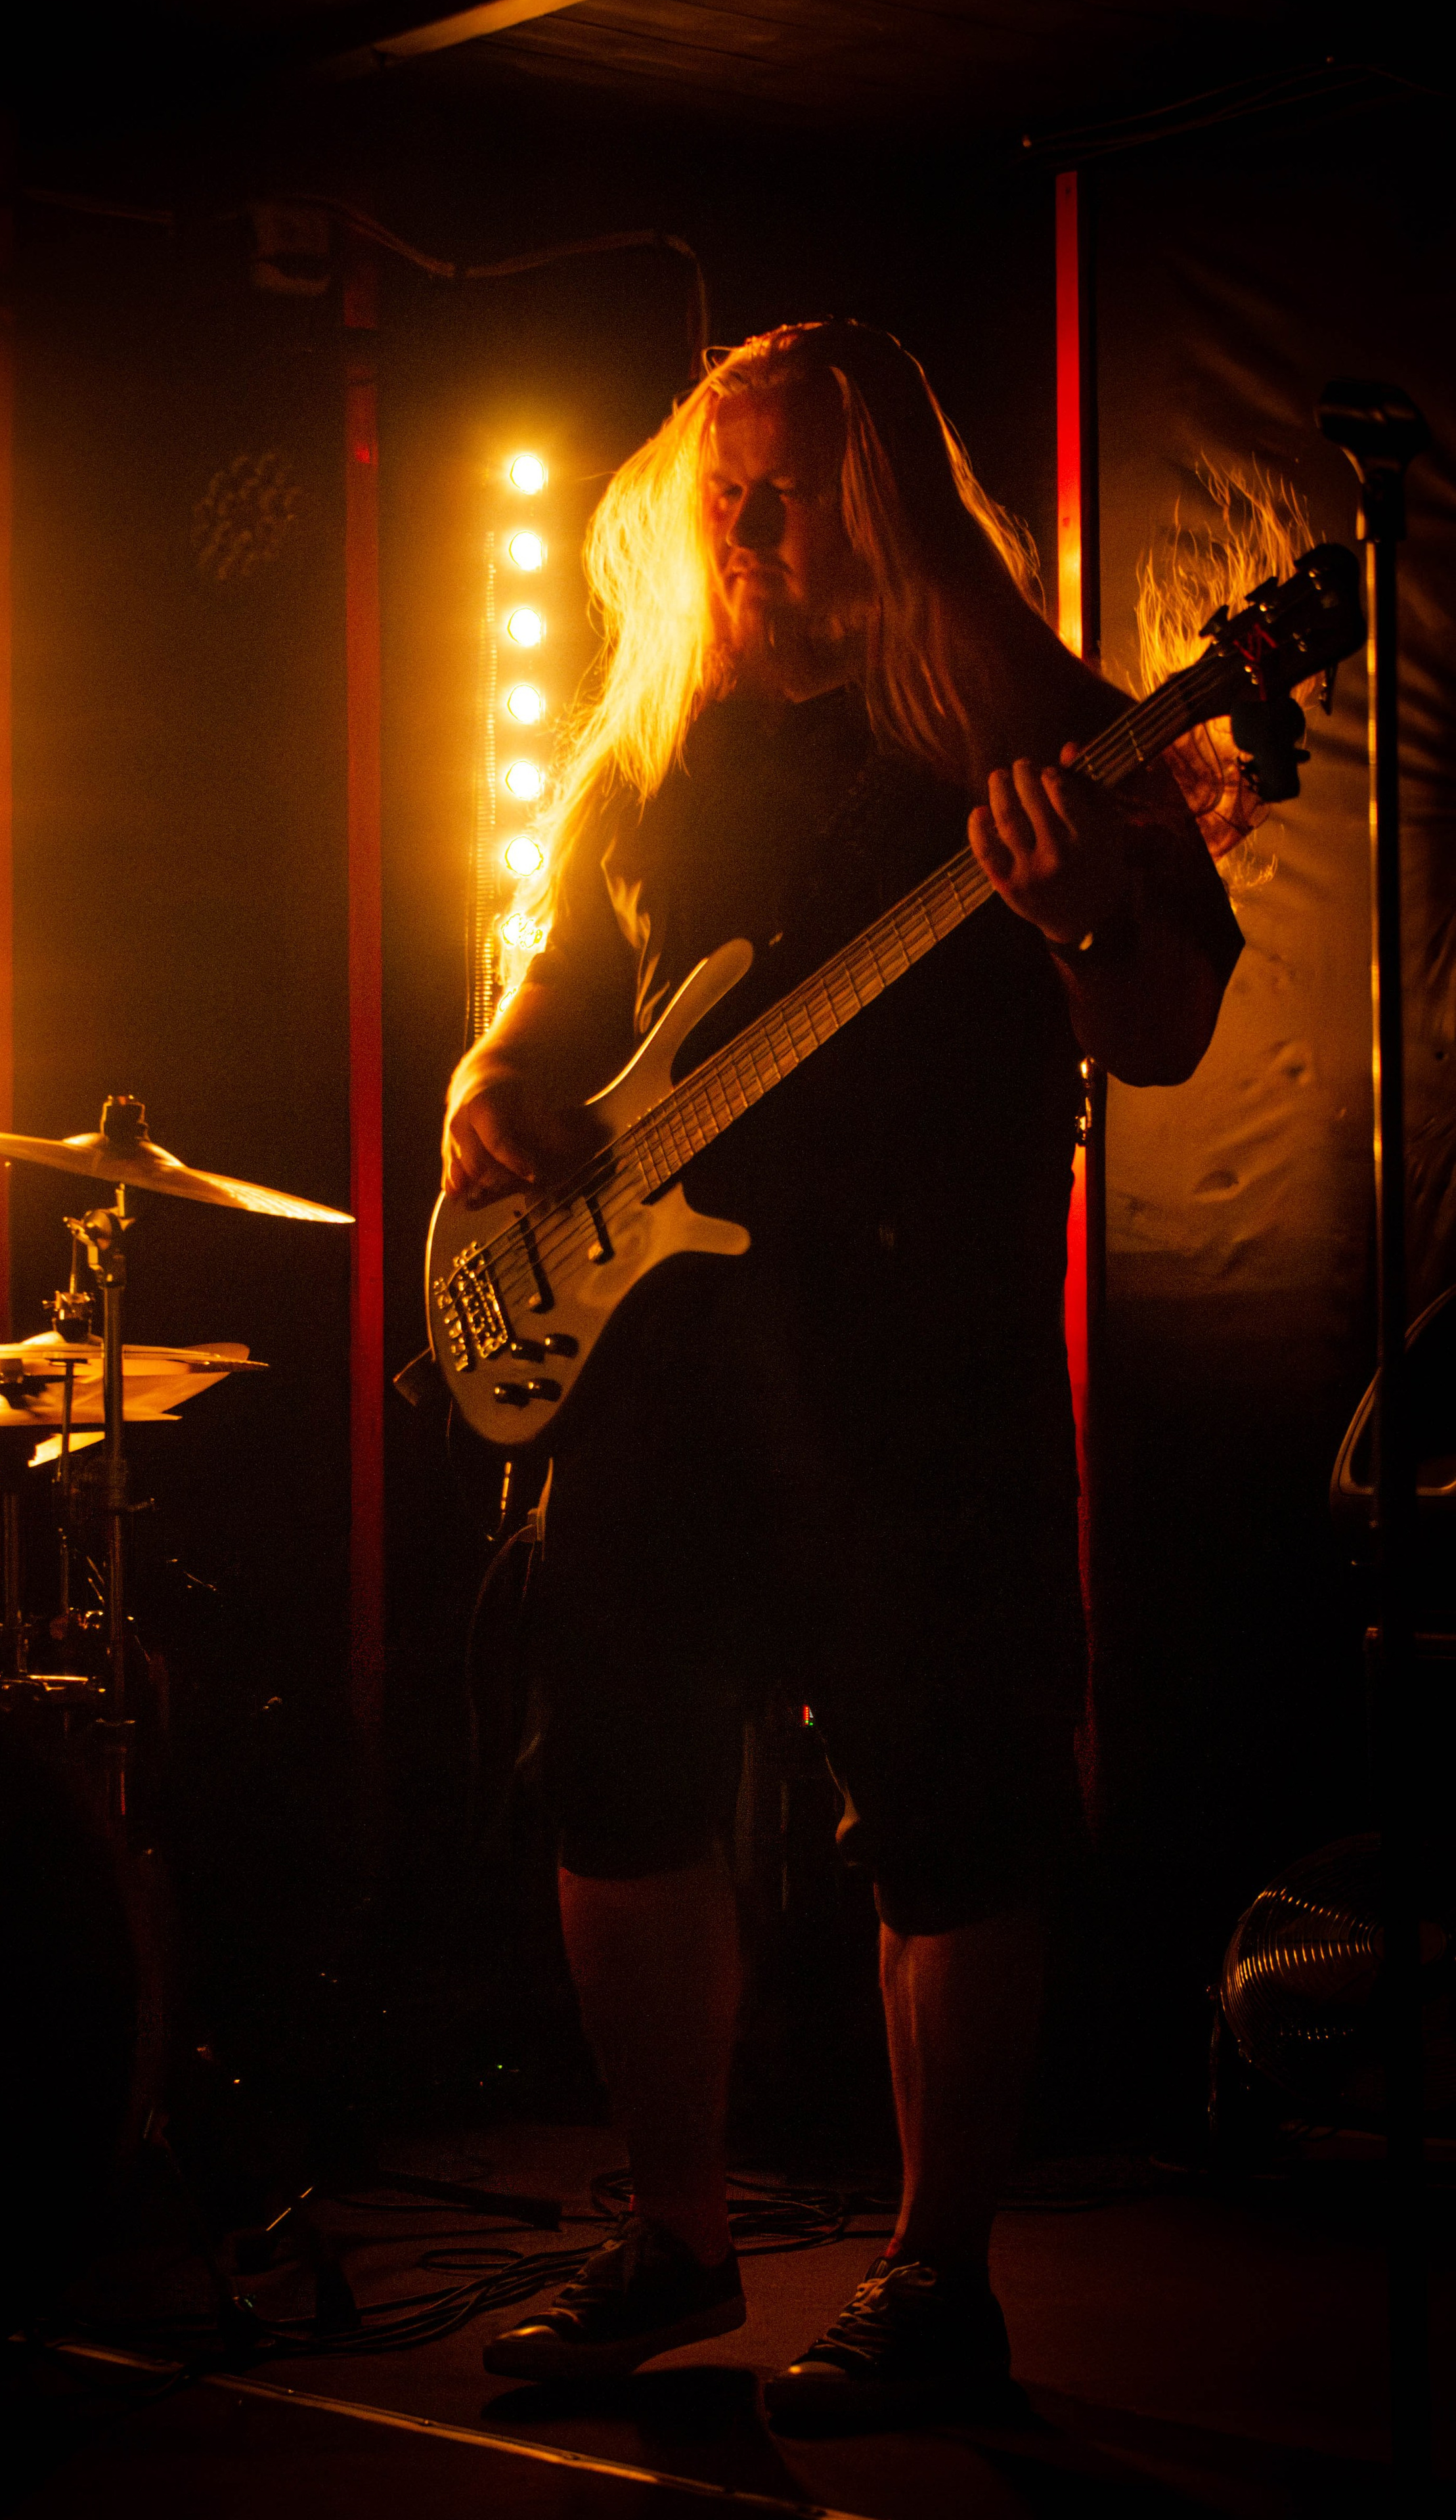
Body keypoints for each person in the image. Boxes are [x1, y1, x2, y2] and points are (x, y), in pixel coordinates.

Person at [440, 321, 1240, 2431]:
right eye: (722, 495)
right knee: (613, 1786)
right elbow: (537, 1007)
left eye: (785, 492)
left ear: (884, 498)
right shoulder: (655, 746)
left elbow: (1160, 1033)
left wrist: (1078, 922)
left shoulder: (1053, 741)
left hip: (918, 1371)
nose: (746, 531)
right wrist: (488, 1089)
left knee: (952, 1814)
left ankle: (936, 2274)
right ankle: (677, 2237)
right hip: (655, 1356)